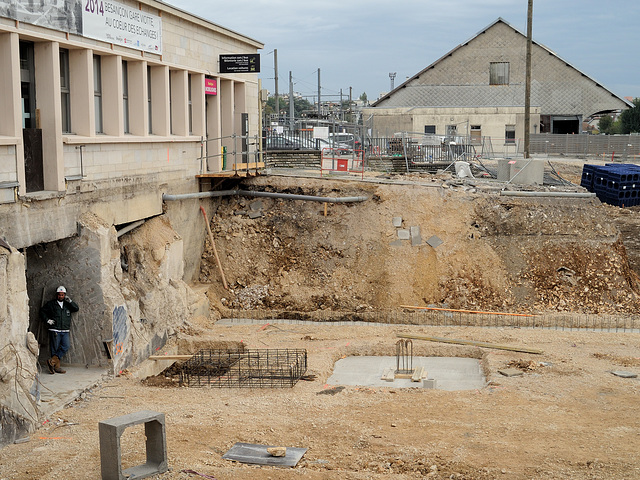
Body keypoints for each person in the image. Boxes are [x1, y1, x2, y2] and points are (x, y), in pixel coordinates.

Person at [40, 286, 79, 374]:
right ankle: (56, 367)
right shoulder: (51, 304)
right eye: (59, 295)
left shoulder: (67, 304)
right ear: (57, 295)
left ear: (64, 295)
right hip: (55, 330)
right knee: (55, 348)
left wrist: (71, 301)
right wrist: (47, 320)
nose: (60, 296)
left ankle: (52, 362)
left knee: (66, 346)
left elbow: (76, 308)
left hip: (65, 330)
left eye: (62, 295)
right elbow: (42, 311)